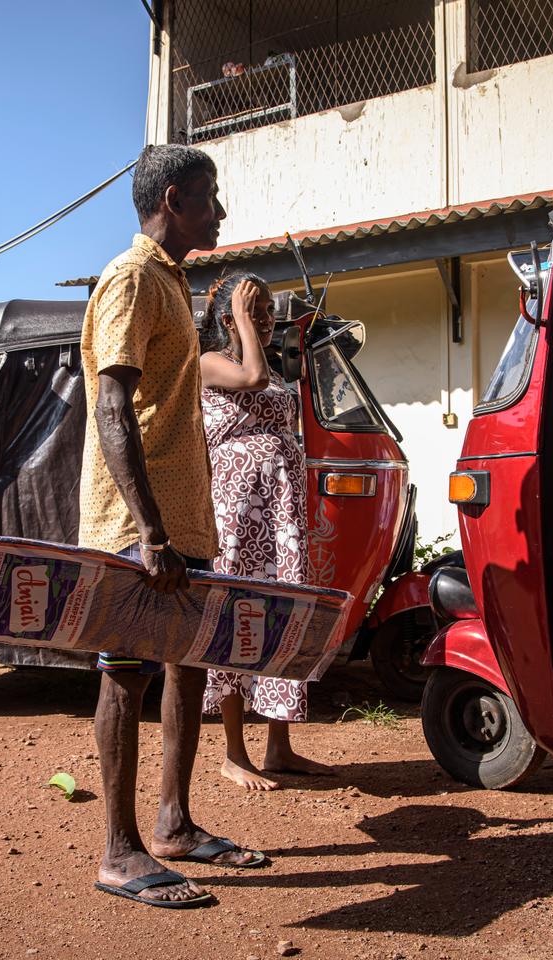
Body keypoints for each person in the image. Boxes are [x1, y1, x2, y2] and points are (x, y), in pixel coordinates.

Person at [80, 144, 266, 910]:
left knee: (188, 666)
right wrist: (149, 533)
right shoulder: (130, 279)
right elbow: (111, 405)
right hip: (138, 521)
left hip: (183, 518)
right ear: (174, 196)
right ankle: (120, 852)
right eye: (211, 196)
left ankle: (174, 825)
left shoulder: (171, 281)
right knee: (126, 672)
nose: (220, 210)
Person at [197, 272, 335, 791]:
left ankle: (279, 745)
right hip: (237, 516)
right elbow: (251, 378)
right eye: (257, 312)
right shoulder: (212, 362)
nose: (267, 321)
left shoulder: (272, 368)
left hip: (278, 515)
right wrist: (239, 317)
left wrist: (249, 320)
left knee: (284, 613)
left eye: (267, 313)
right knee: (239, 616)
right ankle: (235, 753)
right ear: (230, 318)